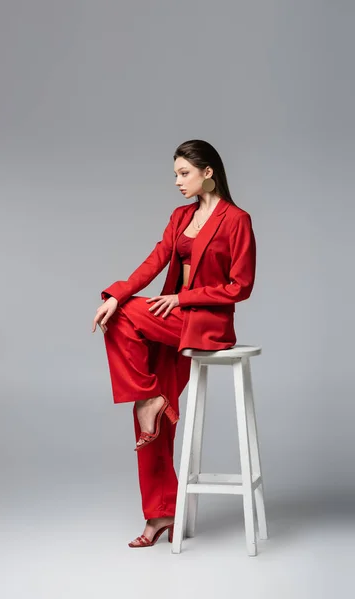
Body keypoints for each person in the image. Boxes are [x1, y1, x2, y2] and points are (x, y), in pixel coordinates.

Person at [92, 139, 257, 548]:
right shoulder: (180, 216)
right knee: (149, 411)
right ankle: (160, 513)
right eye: (175, 174)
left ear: (208, 172)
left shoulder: (237, 220)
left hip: (205, 323)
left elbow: (241, 286)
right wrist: (115, 293)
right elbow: (154, 261)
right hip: (171, 320)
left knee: (127, 318)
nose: (178, 181)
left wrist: (182, 298)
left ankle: (148, 398)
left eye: (184, 173)